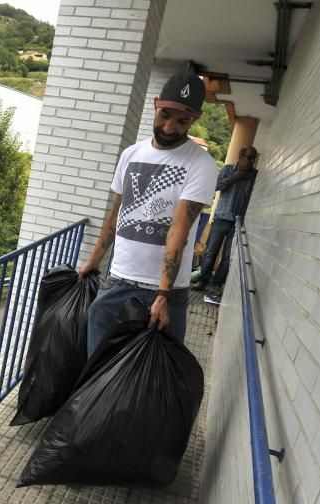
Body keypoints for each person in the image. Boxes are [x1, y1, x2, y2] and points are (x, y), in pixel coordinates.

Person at [77, 73, 217, 353]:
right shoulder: (131, 154)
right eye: (164, 115)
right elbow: (116, 213)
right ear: (155, 105)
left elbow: (179, 229)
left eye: (182, 121)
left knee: (158, 372)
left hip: (165, 290)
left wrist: (163, 294)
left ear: (195, 119)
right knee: (98, 362)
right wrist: (93, 261)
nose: (169, 127)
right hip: (118, 278)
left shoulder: (200, 163)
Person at [192, 146, 259, 295]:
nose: (250, 161)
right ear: (240, 157)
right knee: (210, 252)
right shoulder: (228, 170)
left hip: (238, 222)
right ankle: (203, 281)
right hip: (221, 218)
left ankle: (217, 284)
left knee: (228, 256)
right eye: (247, 157)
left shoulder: (255, 176)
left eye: (253, 158)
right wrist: (234, 178)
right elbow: (214, 186)